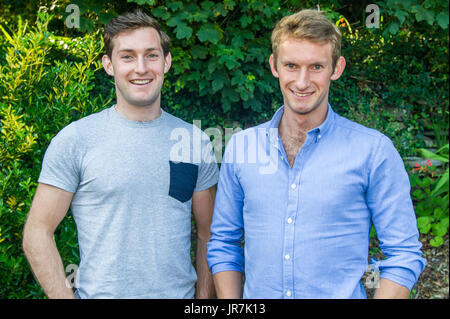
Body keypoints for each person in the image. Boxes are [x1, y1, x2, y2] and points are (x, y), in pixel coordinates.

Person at [206, 9, 426, 299]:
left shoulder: (373, 151)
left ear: (337, 68)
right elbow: (224, 243)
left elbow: (404, 255)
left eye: (316, 67)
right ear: (274, 66)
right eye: (291, 66)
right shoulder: (241, 147)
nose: (301, 81)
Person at [22, 10, 219, 299]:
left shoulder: (193, 142)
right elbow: (37, 232)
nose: (141, 67)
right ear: (109, 65)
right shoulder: (75, 140)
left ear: (166, 62)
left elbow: (209, 232)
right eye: (127, 56)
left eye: (151, 55)